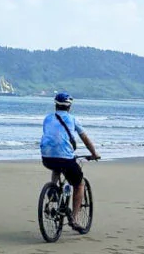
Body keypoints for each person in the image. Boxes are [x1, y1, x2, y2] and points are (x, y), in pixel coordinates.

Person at [40, 91, 100, 228]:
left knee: (56, 167)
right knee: (79, 184)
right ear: (69, 107)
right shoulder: (73, 119)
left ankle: (53, 190)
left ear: (55, 105)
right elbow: (85, 138)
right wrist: (94, 153)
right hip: (66, 159)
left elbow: (52, 137)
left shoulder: (47, 118)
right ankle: (74, 218)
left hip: (47, 157)